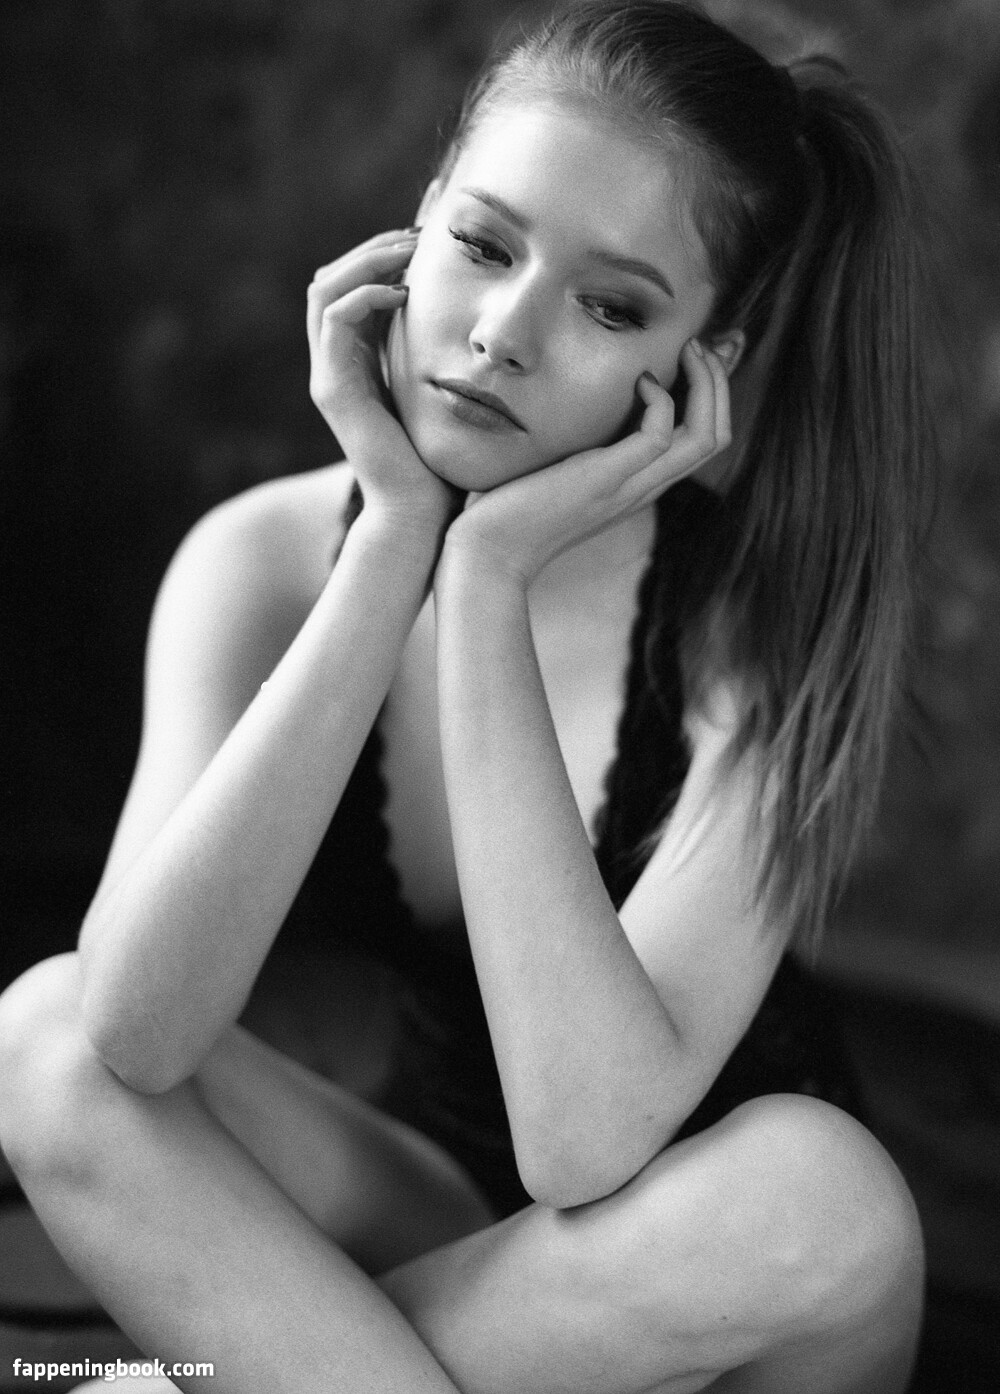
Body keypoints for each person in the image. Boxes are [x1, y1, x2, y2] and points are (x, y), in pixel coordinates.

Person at [0, 1, 933, 1389]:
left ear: (700, 370)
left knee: (828, 1192)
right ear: (417, 226)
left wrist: (487, 581)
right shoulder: (259, 564)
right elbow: (140, 1030)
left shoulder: (759, 633)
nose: (502, 334)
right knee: (46, 1037)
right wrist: (394, 543)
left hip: (720, 1281)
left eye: (611, 306)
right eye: (485, 246)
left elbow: (585, 1143)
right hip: (458, 1230)